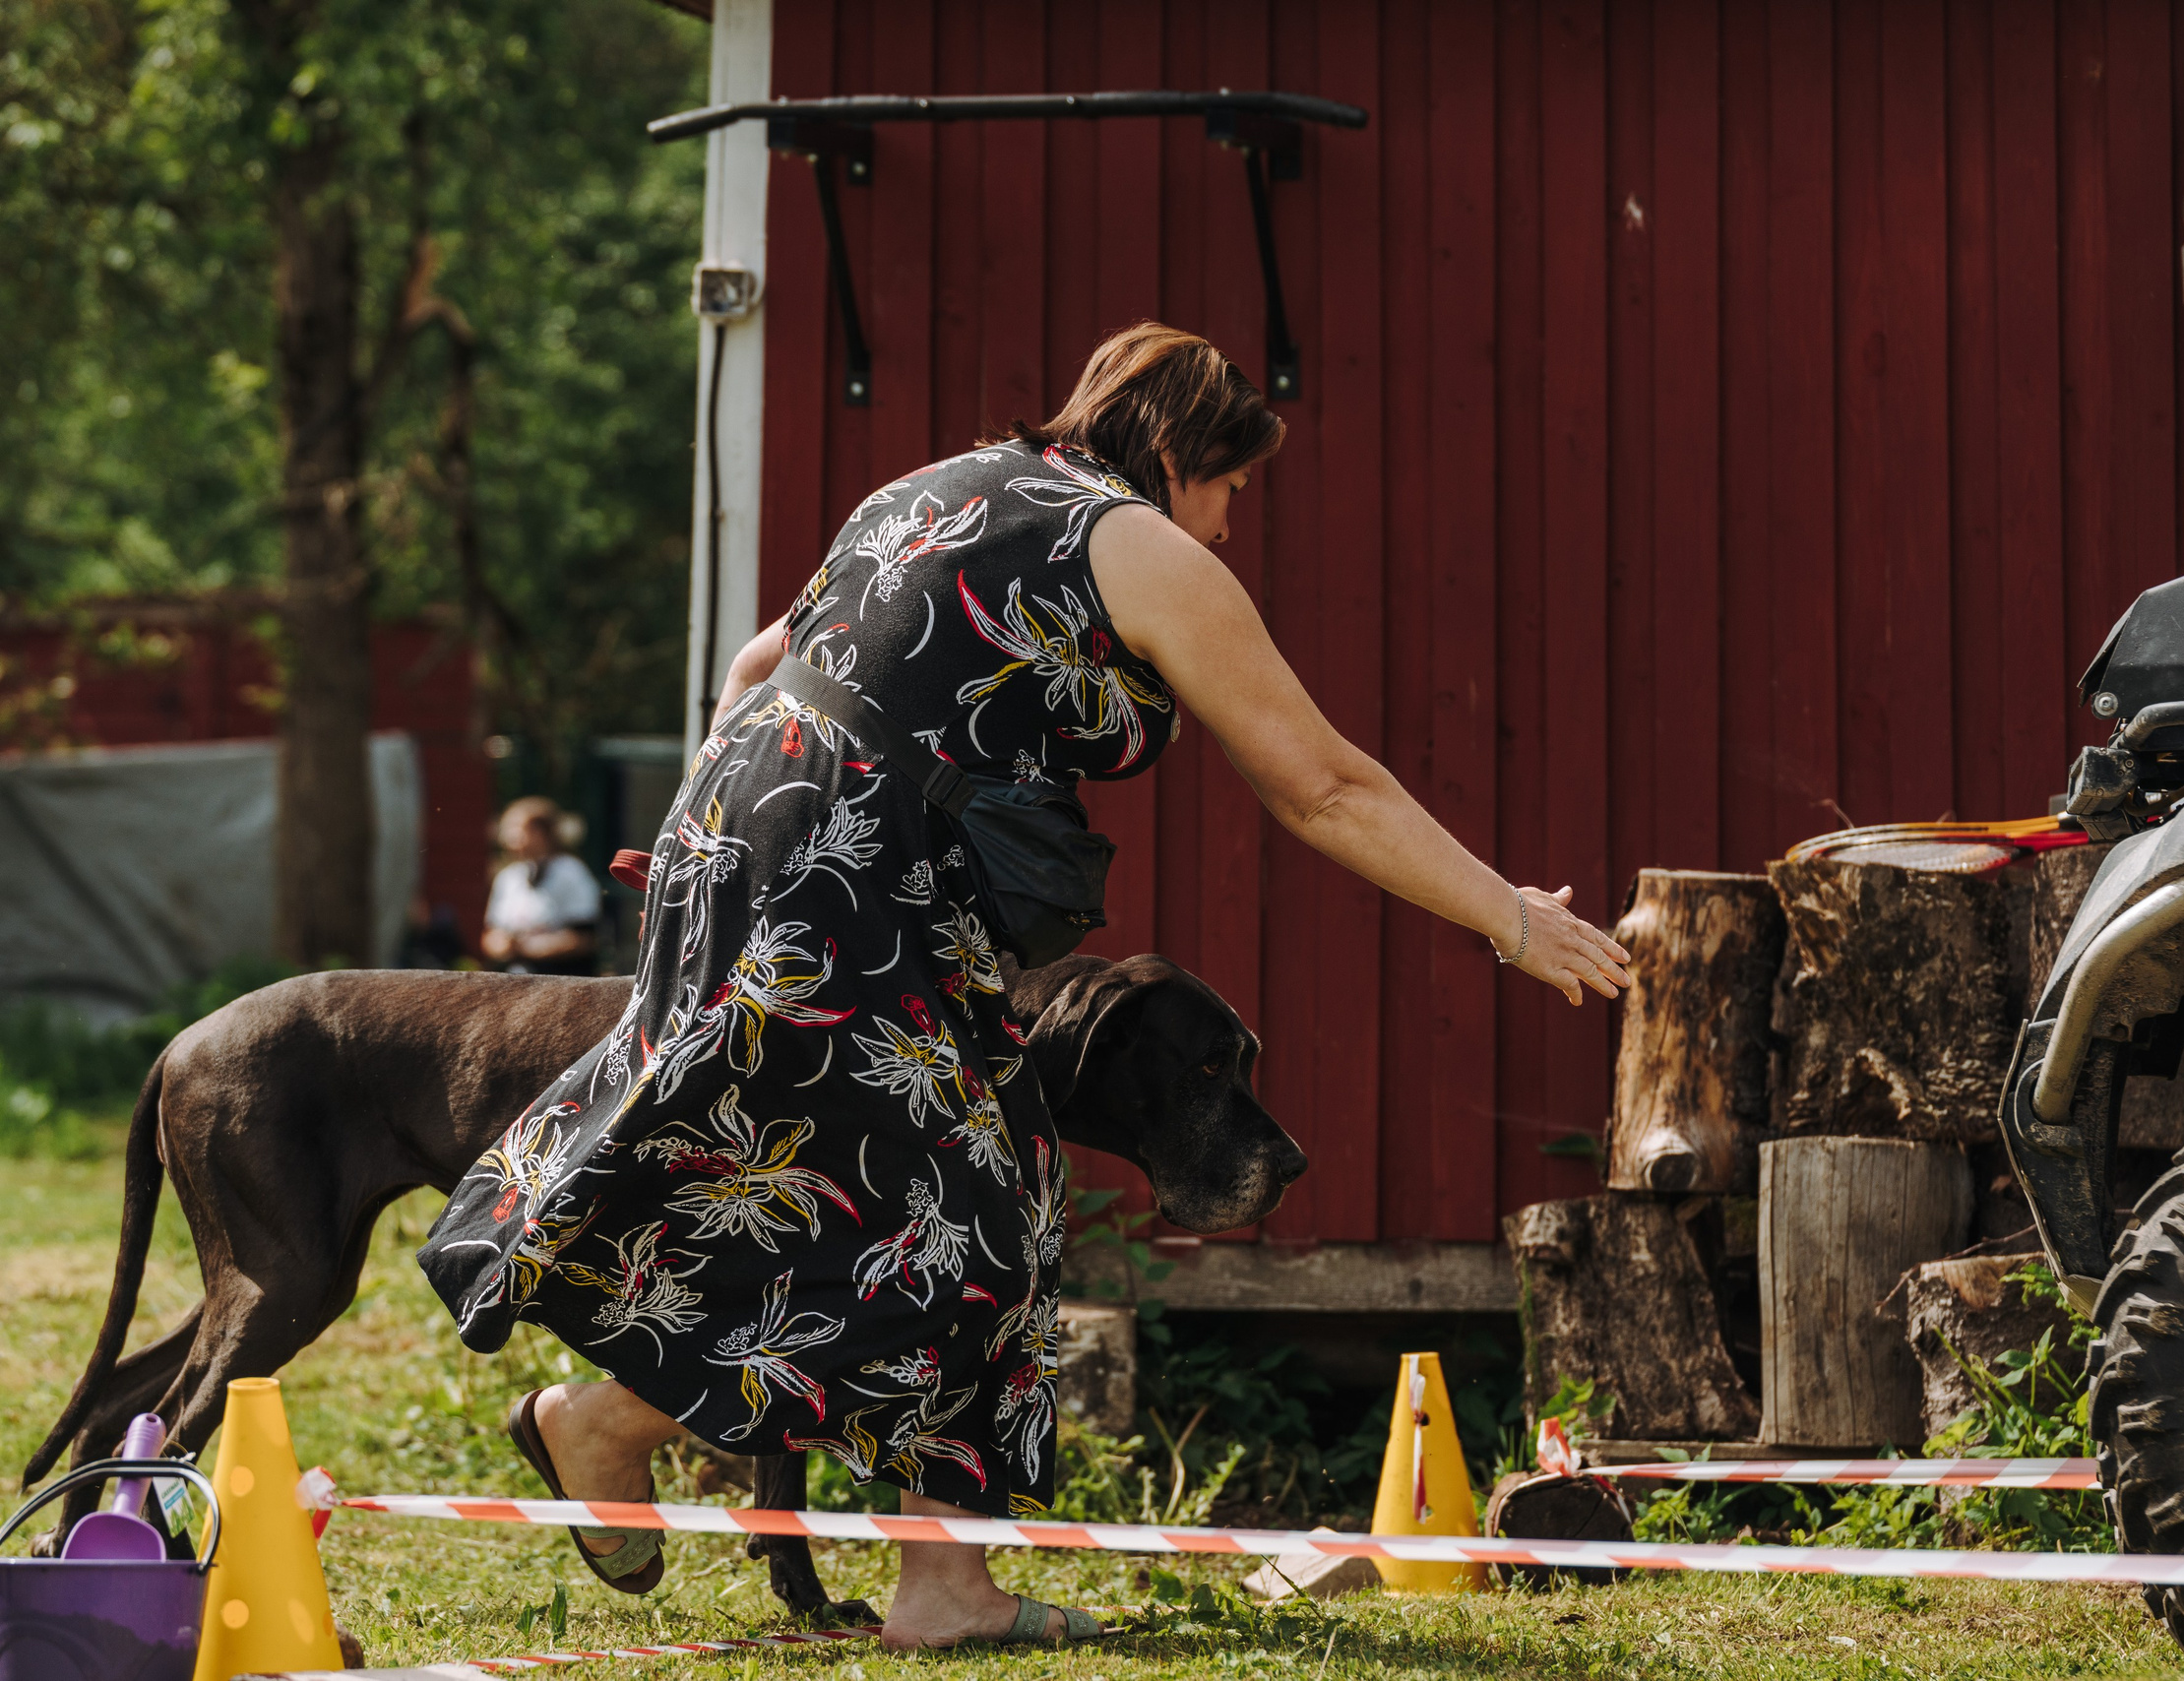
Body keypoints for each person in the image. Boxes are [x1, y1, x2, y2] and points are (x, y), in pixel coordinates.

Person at [419, 323, 1632, 1650]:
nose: (1228, 528)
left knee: (967, 1191)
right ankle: (622, 1432)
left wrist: (731, 813)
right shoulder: (1134, 541)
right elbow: (1320, 783)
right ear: (1174, 451)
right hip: (849, 869)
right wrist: (1508, 918)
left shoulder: (932, 488)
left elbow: (760, 670)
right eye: (1231, 489)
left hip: (770, 835)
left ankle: (935, 1578)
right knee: (964, 1224)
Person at [479, 797, 602, 975]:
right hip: (513, 980)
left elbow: (584, 938)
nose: (508, 836)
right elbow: (491, 934)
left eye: (517, 828)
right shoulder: (508, 877)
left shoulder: (571, 872)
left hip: (561, 980)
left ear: (542, 833)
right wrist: (500, 946)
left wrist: (528, 948)